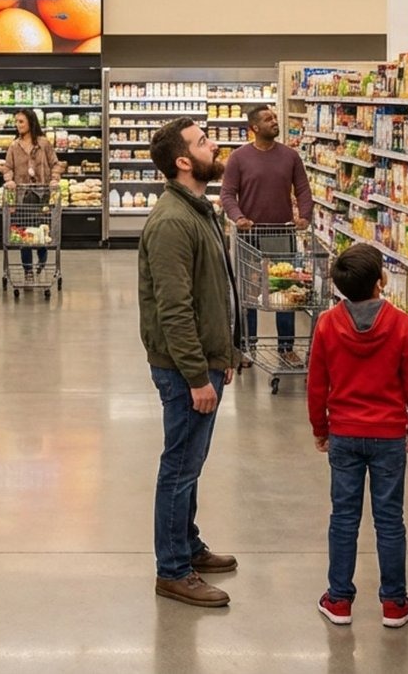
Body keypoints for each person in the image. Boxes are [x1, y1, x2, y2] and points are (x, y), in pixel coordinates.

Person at [138, 117, 242, 608]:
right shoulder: (172, 222)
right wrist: (198, 375)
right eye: (203, 142)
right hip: (185, 369)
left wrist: (225, 353)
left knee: (191, 462)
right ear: (183, 161)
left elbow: (213, 291)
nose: (213, 145)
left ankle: (188, 544)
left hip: (204, 359)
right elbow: (174, 309)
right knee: (179, 466)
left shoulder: (199, 209)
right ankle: (173, 570)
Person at [305, 242, 408, 629]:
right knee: (389, 520)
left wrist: (320, 428)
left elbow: (316, 385)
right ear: (380, 281)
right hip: (388, 436)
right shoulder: (402, 325)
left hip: (344, 433)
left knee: (343, 517)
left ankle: (339, 600)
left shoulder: (327, 324)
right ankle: (394, 603)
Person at [220, 105, 313, 366]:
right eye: (267, 119)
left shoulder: (290, 156)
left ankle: (286, 348)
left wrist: (304, 216)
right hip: (250, 234)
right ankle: (247, 347)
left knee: (285, 292)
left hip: (282, 232)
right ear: (254, 127)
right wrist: (238, 217)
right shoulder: (239, 158)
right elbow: (227, 194)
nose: (274, 121)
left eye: (274, 117)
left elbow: (303, 190)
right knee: (249, 293)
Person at [1, 108, 63, 277]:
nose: (18, 124)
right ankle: (28, 269)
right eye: (16, 121)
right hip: (22, 196)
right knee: (25, 234)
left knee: (42, 231)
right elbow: (7, 167)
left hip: (42, 195)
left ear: (31, 122)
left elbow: (55, 164)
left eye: (21, 121)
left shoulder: (44, 144)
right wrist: (9, 180)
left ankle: (42, 259)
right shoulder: (14, 146)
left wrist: (54, 179)